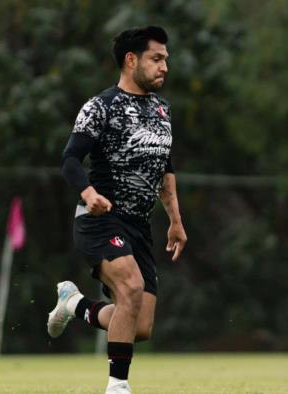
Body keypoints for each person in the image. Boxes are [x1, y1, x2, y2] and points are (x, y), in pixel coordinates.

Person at [47, 26, 187, 394]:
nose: (164, 68)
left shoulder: (161, 109)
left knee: (139, 326)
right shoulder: (101, 107)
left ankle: (74, 304)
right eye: (157, 59)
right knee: (131, 286)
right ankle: (117, 386)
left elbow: (164, 168)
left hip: (140, 226)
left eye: (165, 60)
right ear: (131, 60)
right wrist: (88, 192)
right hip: (99, 218)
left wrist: (175, 220)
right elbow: (70, 160)